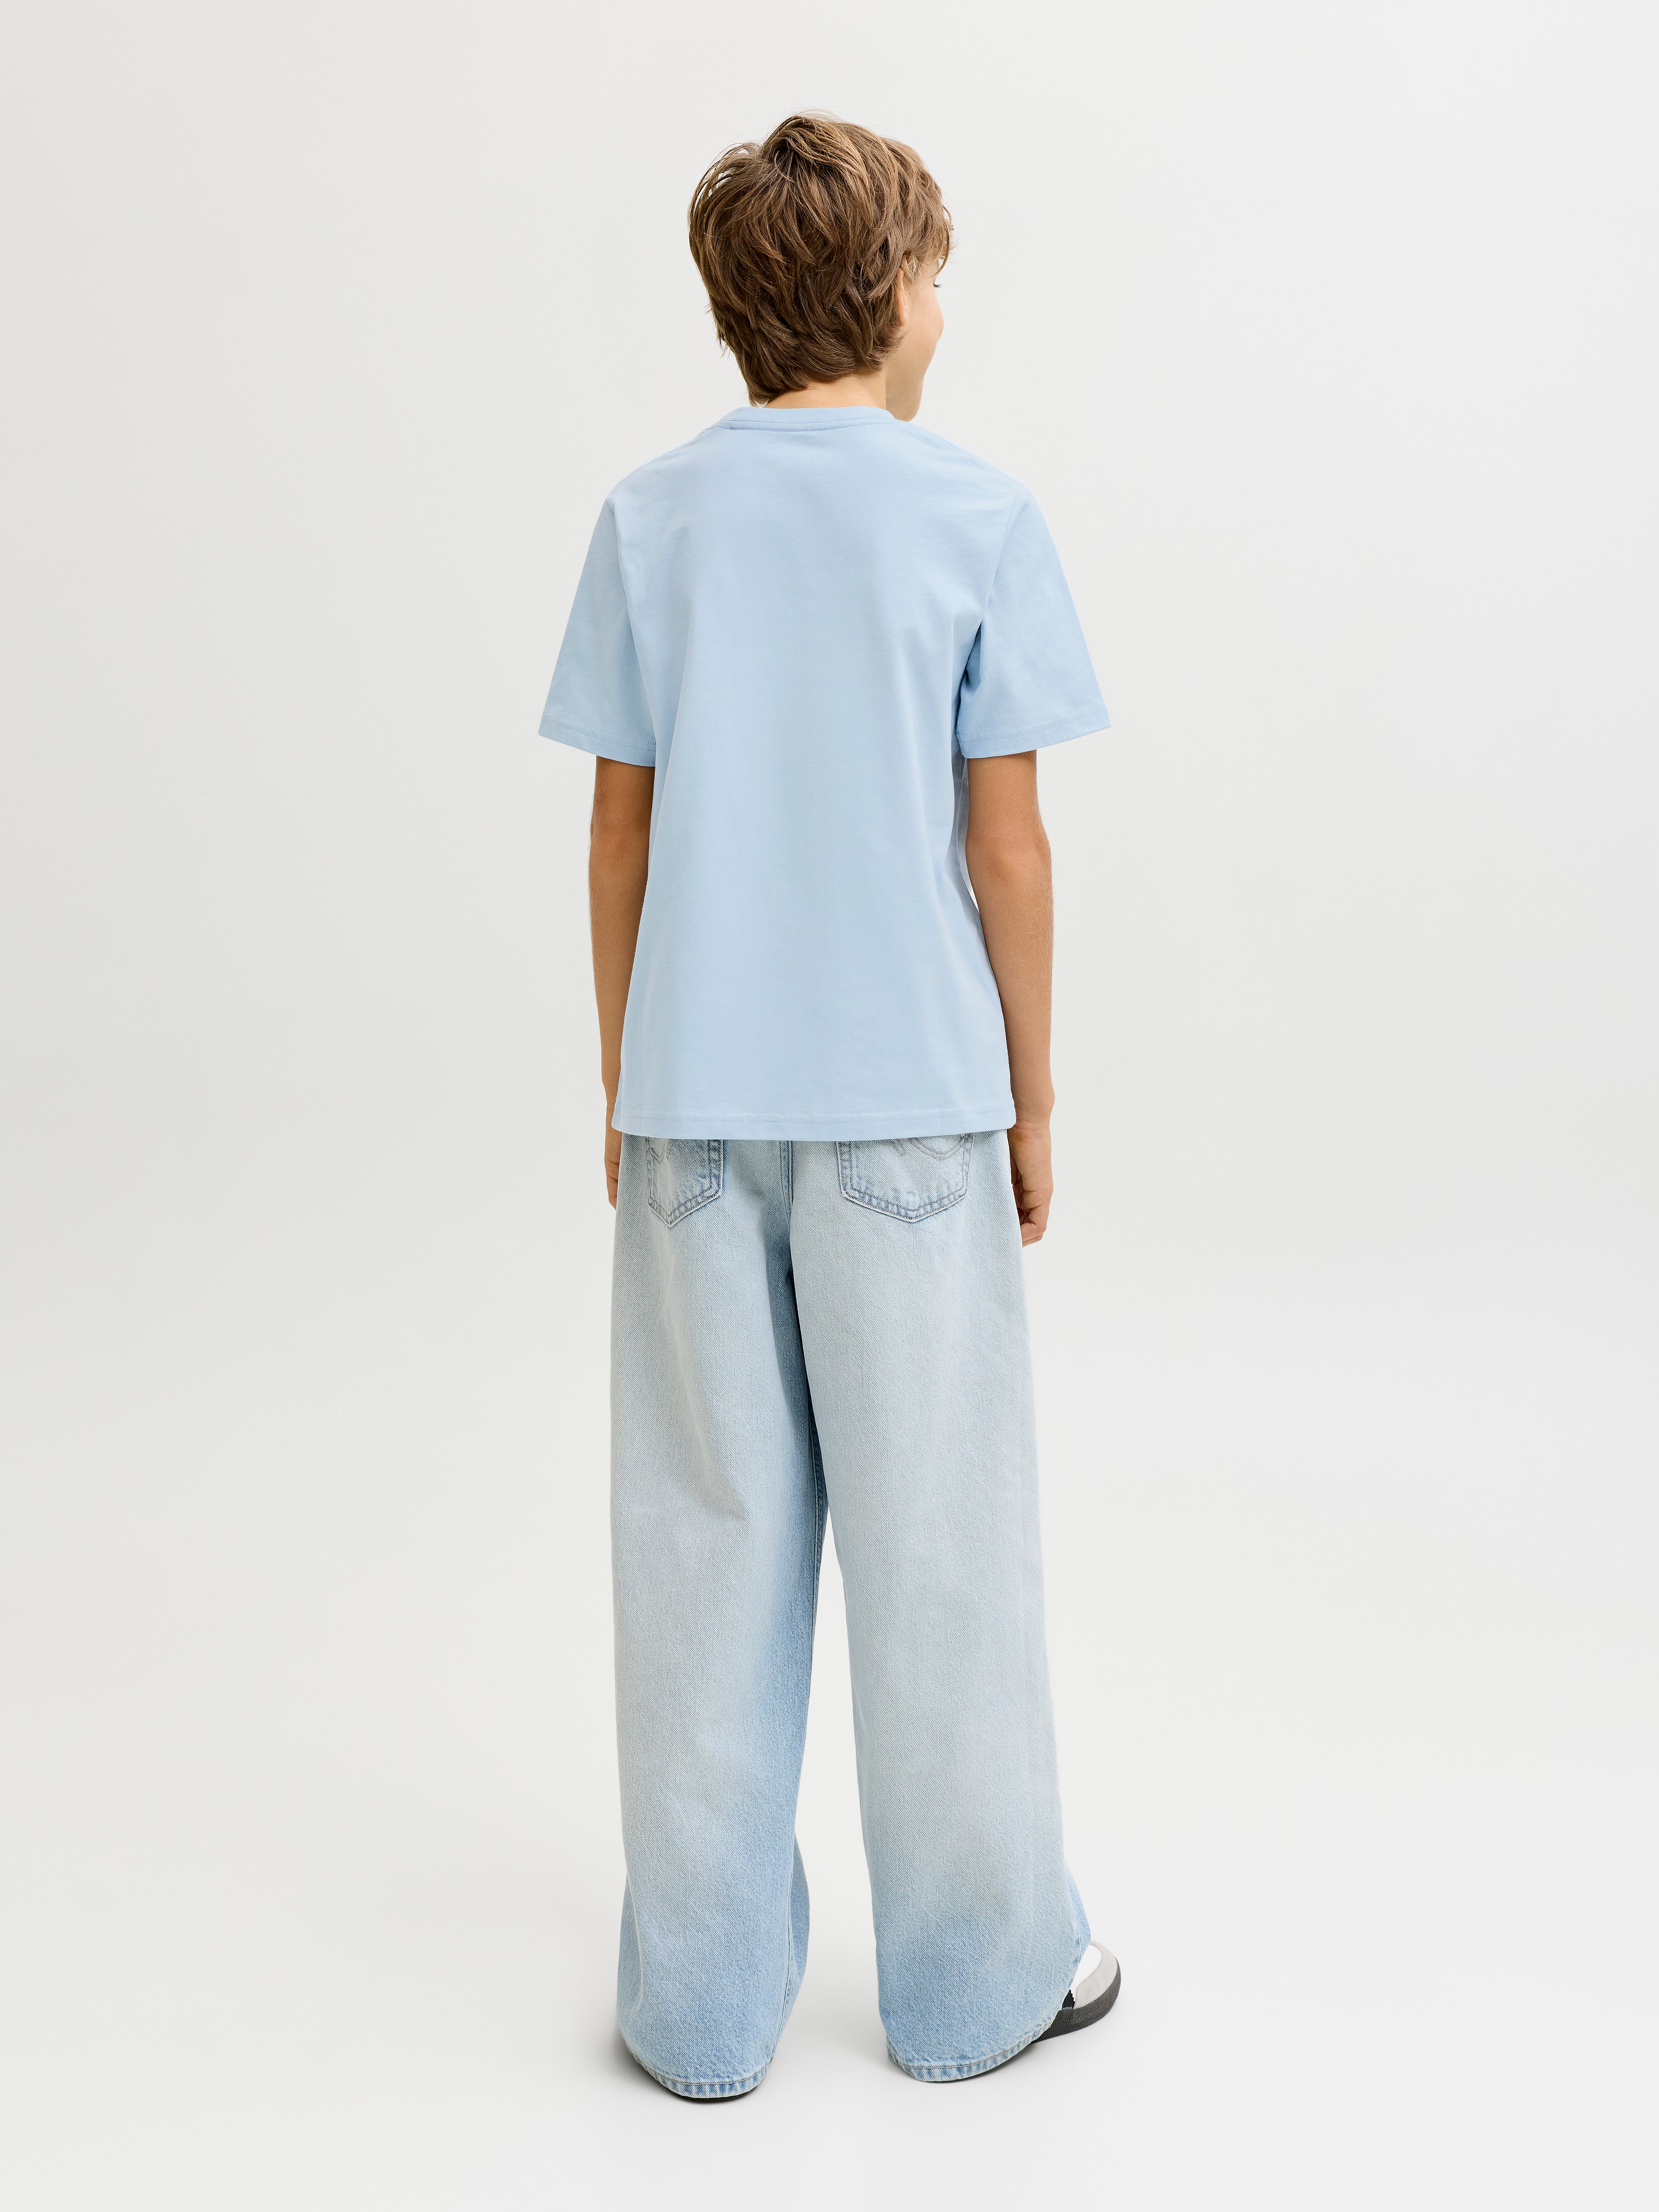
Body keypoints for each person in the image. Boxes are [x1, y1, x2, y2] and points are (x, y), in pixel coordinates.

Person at [540, 113, 1117, 2098]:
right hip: (908, 1114)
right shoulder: (975, 516)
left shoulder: (650, 518)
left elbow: (616, 835)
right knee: (939, 1549)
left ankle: (698, 2011)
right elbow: (1009, 852)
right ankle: (978, 1985)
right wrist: (1033, 1096)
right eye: (937, 272)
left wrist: (625, 1077)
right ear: (889, 293)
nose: (946, 308)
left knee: (700, 1546)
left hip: (694, 1116)